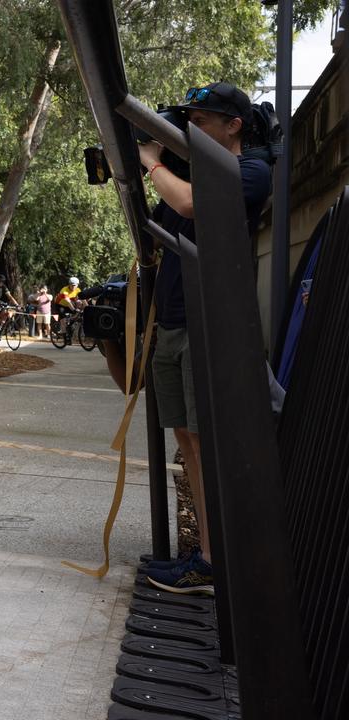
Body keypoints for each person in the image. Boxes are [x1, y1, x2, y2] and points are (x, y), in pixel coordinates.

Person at [138, 81, 272, 596]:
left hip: (209, 322)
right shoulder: (188, 171)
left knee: (210, 442)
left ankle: (226, 561)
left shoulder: (250, 169)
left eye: (200, 119)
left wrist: (153, 163)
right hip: (172, 321)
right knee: (188, 442)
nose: (189, 128)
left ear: (233, 125)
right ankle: (209, 558)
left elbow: (192, 204)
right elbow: (155, 228)